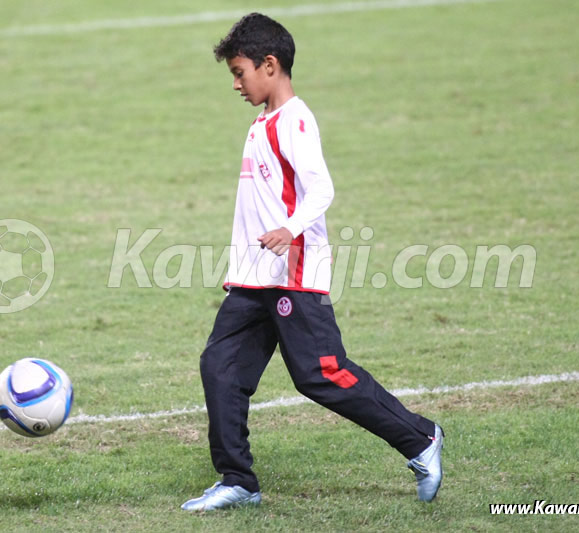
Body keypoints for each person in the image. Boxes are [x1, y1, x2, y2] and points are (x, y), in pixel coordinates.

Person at [181, 13, 443, 512]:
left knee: (322, 375)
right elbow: (259, 203)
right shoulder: (264, 122)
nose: (235, 83)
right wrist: (241, 266)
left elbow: (321, 188)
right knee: (220, 366)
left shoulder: (295, 121)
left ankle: (422, 439)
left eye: (240, 72)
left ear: (270, 65)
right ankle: (239, 482)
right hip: (256, 278)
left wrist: (291, 228)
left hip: (293, 277)